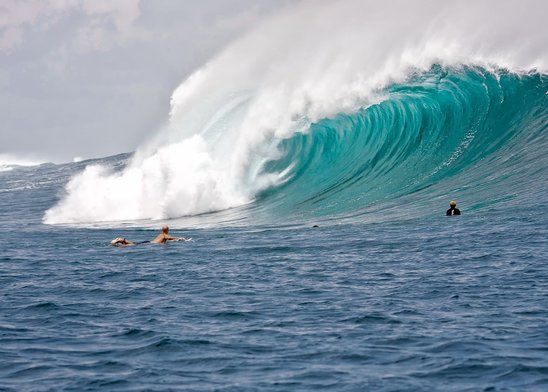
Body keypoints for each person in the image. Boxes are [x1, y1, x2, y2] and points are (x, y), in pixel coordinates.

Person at [110, 226, 187, 246]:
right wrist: (179, 238)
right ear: (167, 230)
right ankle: (121, 240)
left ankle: (122, 241)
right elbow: (169, 238)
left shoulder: (160, 234)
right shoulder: (164, 235)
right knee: (133, 245)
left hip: (149, 242)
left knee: (134, 244)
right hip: (150, 244)